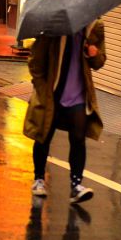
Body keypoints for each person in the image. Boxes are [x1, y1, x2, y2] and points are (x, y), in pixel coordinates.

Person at [24, 21, 106, 204]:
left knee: (78, 138)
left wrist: (93, 53)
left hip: (78, 95)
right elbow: (35, 61)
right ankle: (39, 178)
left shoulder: (94, 28)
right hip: (52, 94)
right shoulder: (53, 28)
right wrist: (42, 89)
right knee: (44, 136)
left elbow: (99, 62)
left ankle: (76, 185)